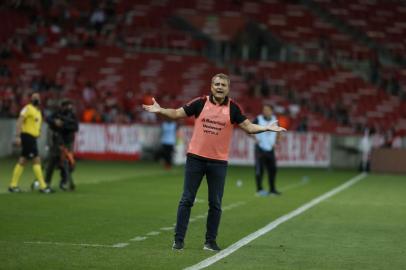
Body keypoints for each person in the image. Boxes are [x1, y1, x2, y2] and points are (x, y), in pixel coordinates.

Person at [142, 73, 286, 251]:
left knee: (215, 203)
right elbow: (177, 113)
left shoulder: (233, 108)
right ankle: (178, 240)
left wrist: (265, 128)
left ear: (228, 88)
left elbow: (248, 127)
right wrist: (161, 110)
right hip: (195, 158)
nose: (219, 87)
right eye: (217, 84)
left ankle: (210, 242)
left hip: (218, 163)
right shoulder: (200, 103)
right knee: (187, 200)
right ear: (211, 86)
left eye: (223, 85)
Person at [8, 92, 53, 193]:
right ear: (31, 99)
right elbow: (20, 120)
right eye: (34, 97)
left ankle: (13, 185)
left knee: (23, 161)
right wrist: (17, 136)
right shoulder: (27, 108)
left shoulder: (38, 112)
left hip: (32, 138)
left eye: (37, 97)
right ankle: (43, 186)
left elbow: (37, 124)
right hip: (27, 136)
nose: (36, 98)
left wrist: (39, 131)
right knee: (36, 160)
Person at [44, 99, 79, 190]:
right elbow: (48, 119)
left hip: (68, 142)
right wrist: (55, 122)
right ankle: (47, 182)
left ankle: (64, 181)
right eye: (67, 105)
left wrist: (63, 125)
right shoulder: (57, 113)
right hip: (57, 141)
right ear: (63, 106)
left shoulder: (72, 116)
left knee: (68, 163)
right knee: (52, 161)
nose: (69, 107)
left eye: (70, 105)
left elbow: (75, 127)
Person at [253, 104, 281, 196]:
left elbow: (279, 132)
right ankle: (259, 189)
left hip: (270, 149)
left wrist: (277, 141)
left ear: (271, 111)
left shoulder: (274, 120)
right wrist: (255, 138)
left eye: (267, 110)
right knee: (259, 170)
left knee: (273, 169)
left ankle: (272, 190)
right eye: (264, 109)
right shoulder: (258, 119)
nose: (265, 111)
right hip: (260, 148)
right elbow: (249, 128)